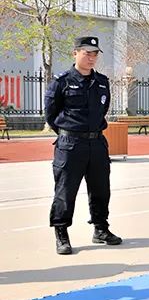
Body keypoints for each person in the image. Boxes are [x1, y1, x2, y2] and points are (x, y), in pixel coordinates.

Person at [44, 36, 122, 255]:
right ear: (75, 53)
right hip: (71, 144)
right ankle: (61, 233)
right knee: (65, 190)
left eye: (95, 54)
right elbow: (51, 114)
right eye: (87, 53)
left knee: (101, 189)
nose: (91, 58)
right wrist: (69, 132)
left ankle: (100, 228)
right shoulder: (62, 82)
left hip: (96, 143)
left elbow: (102, 110)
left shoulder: (102, 82)